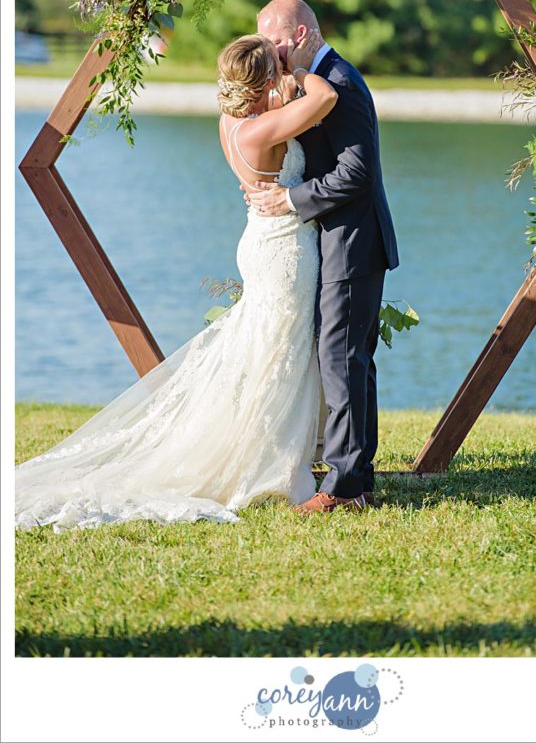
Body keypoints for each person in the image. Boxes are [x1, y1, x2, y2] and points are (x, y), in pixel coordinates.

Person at [15, 32, 337, 532]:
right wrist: (297, 71)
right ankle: (285, 469)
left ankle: (276, 455)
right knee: (282, 353)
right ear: (263, 82)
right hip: (284, 251)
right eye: (272, 67)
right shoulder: (261, 129)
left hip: (265, 241)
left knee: (267, 350)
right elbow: (326, 96)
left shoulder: (233, 122)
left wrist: (277, 79)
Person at [250, 0, 399, 515]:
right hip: (339, 241)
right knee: (349, 360)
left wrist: (290, 199)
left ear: (300, 34)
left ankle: (344, 489)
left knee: (341, 360)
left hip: (352, 243)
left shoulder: (339, 82)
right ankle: (357, 478)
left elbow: (357, 174)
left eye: (273, 41)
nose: (269, 52)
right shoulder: (315, 79)